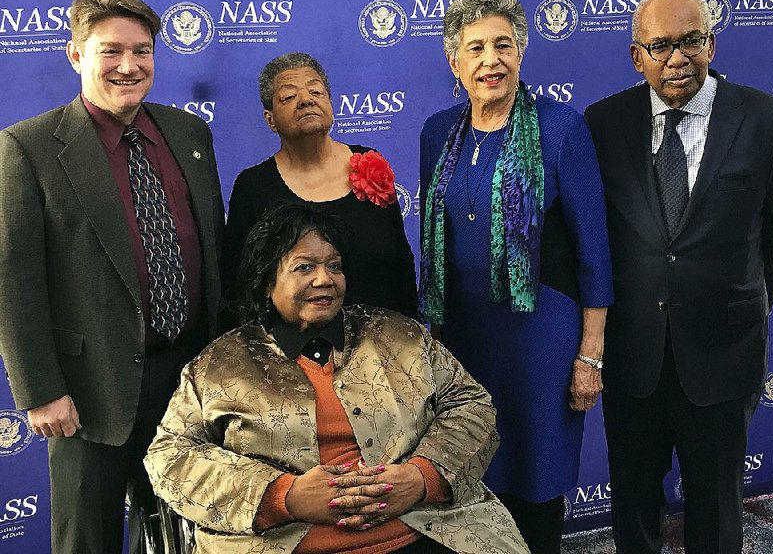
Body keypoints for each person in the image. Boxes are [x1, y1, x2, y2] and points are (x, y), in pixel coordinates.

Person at [145, 203, 529, 554]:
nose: (325, 279)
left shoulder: (399, 335)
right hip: (281, 543)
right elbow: (169, 456)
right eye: (304, 267)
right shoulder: (219, 365)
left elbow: (470, 403)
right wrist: (284, 496)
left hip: (423, 532)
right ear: (267, 282)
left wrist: (421, 478)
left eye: (334, 266)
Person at [0, 0, 224, 554]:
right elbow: (14, 281)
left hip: (191, 381)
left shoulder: (189, 135)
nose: (129, 66)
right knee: (87, 541)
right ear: (76, 55)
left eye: (142, 51)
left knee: (187, 539)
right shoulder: (28, 147)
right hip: (88, 392)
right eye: (111, 51)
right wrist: (41, 392)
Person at [584, 0, 773, 554]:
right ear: (638, 56)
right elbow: (595, 237)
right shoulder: (604, 124)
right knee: (633, 506)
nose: (676, 58)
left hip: (725, 353)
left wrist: (737, 297)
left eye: (690, 41)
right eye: (660, 46)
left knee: (718, 510)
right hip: (634, 354)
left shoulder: (767, 120)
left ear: (711, 42)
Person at [418, 0, 613, 553]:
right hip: (464, 339)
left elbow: (594, 251)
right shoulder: (436, 131)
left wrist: (589, 355)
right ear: (454, 61)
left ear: (522, 54)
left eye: (503, 45)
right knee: (471, 472)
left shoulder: (560, 127)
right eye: (475, 48)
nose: (490, 60)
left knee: (537, 474)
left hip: (544, 340)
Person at [222, 52, 417, 322]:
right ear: (270, 119)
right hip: (291, 353)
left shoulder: (370, 163)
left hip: (382, 349)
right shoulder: (253, 186)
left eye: (316, 91)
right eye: (289, 97)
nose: (306, 100)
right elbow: (240, 289)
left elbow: (402, 266)